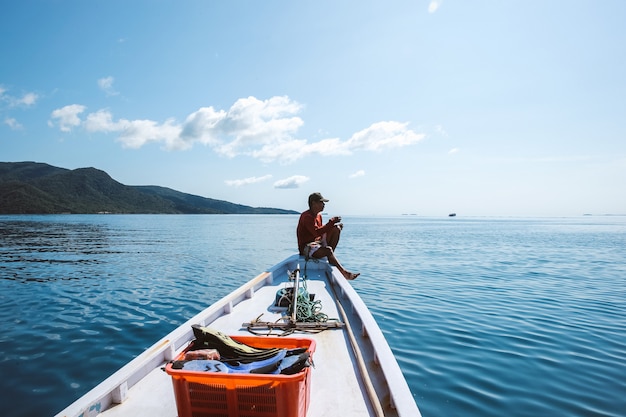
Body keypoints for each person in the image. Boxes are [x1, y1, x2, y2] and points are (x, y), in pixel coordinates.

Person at [296, 192, 360, 280]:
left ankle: (329, 255)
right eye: (321, 202)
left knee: (336, 228)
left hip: (316, 243)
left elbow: (320, 232)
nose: (324, 205)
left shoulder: (318, 216)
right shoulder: (307, 216)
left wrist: (333, 227)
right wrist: (331, 223)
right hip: (306, 248)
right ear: (313, 203)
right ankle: (344, 272)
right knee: (328, 249)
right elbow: (316, 233)